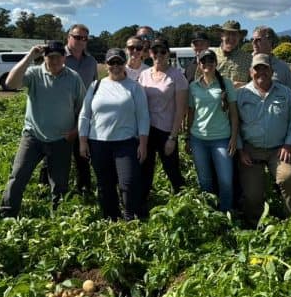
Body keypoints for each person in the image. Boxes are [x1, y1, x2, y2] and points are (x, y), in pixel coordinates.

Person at [0, 41, 85, 217]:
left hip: (61, 140)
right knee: (18, 176)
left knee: (60, 183)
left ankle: (58, 217)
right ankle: (7, 214)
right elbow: (11, 82)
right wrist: (31, 55)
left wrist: (74, 131)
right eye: (50, 57)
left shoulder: (73, 77)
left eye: (58, 57)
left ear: (64, 58)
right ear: (44, 58)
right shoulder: (34, 73)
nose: (54, 61)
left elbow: (83, 109)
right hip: (33, 137)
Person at [78, 48, 150, 220]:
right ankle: (111, 218)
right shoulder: (96, 86)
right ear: (106, 64)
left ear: (124, 64)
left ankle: (129, 217)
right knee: (105, 184)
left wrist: (143, 143)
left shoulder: (134, 87)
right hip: (98, 142)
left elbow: (143, 116)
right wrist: (83, 141)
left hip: (125, 143)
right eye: (112, 62)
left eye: (119, 62)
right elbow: (85, 114)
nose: (115, 66)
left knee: (128, 183)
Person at [237, 54, 291, 225]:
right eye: (257, 69)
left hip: (278, 149)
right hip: (250, 150)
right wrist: (240, 149)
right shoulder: (241, 95)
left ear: (271, 71)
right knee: (252, 194)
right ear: (251, 72)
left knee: (287, 178)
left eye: (265, 68)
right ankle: (255, 223)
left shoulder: (285, 93)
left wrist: (289, 145)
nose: (261, 72)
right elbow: (234, 124)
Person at [186, 49, 239, 212]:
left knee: (225, 180)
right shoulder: (193, 86)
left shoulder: (226, 84)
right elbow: (191, 113)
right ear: (200, 65)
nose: (207, 64)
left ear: (216, 63)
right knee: (205, 180)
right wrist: (188, 137)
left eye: (210, 61)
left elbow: (234, 114)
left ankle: (225, 212)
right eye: (203, 61)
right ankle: (209, 213)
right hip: (198, 139)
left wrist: (234, 138)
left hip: (221, 139)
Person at [138, 38, 188, 202]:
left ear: (168, 53)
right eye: (155, 51)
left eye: (162, 51)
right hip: (147, 130)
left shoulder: (177, 76)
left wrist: (173, 138)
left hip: (166, 131)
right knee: (145, 169)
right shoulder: (144, 75)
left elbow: (180, 109)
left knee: (172, 170)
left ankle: (184, 202)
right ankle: (143, 206)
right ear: (150, 53)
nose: (158, 55)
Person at [62, 24, 98, 195]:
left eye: (84, 38)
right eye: (77, 37)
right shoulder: (58, 57)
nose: (81, 41)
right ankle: (49, 188)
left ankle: (84, 188)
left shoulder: (91, 61)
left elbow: (96, 86)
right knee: (55, 154)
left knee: (82, 153)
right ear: (68, 37)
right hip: (60, 111)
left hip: (83, 113)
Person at [250, 25, 291, 96]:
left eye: (258, 39)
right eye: (252, 39)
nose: (253, 43)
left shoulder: (283, 68)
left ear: (270, 41)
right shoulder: (245, 63)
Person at [214, 20, 252, 88]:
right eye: (228, 33)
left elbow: (256, 85)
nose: (231, 38)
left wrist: (244, 85)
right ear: (221, 35)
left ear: (239, 37)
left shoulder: (249, 59)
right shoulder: (210, 56)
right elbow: (200, 84)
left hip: (241, 98)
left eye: (234, 34)